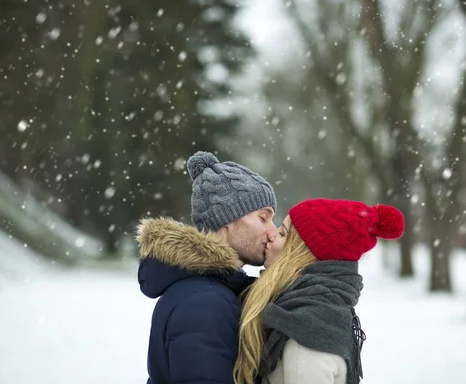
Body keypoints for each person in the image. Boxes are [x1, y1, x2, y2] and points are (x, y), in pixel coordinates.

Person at [137, 151, 278, 384]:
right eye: (263, 218)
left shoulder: (207, 290)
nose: (272, 231)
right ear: (228, 218)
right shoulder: (205, 300)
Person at [233, 198, 404, 384]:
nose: (271, 235)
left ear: (302, 256)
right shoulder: (311, 313)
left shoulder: (308, 331)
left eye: (282, 233)